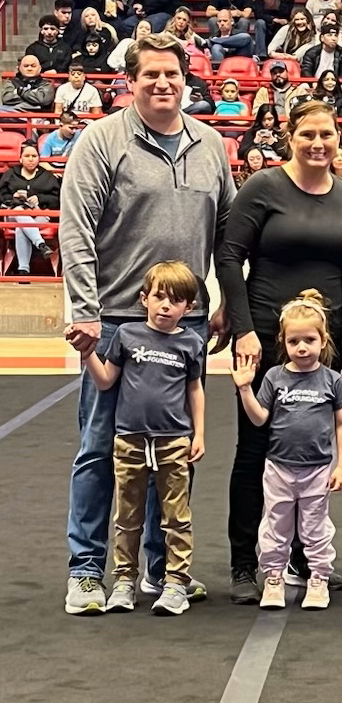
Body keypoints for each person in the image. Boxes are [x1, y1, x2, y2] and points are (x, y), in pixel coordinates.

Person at [59, 33, 233, 615]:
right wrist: (84, 311)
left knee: (173, 455)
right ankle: (87, 572)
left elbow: (229, 231)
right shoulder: (101, 141)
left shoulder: (209, 144)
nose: (164, 83)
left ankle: (163, 573)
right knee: (98, 451)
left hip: (184, 325)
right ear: (130, 81)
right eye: (151, 74)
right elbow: (76, 231)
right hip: (114, 323)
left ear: (188, 79)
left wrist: (226, 299)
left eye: (173, 74)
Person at [218, 99, 342, 604]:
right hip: (263, 334)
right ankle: (244, 564)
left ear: (338, 139)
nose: (318, 143)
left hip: (322, 342)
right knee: (256, 450)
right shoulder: (263, 187)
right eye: (308, 135)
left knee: (310, 452)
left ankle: (302, 560)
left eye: (327, 134)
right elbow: (230, 255)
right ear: (290, 135)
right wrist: (242, 328)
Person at [76, 261, 205, 616]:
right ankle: (123, 581)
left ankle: (175, 581)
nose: (166, 306)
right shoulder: (127, 335)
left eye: (175, 301)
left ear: (188, 308)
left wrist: (199, 433)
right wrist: (88, 351)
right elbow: (105, 381)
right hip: (129, 440)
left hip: (173, 440)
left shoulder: (191, 343)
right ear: (143, 299)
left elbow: (195, 389)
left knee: (176, 515)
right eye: (159, 298)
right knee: (127, 516)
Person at [231, 288, 342, 612]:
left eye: (309, 341)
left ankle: (318, 578)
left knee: (316, 528)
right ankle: (273, 577)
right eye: (294, 341)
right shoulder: (274, 377)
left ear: (323, 341)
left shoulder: (331, 380)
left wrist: (340, 466)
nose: (301, 348)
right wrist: (245, 388)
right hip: (279, 469)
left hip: (317, 469)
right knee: (276, 526)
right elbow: (259, 419)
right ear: (283, 343)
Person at [0, 143, 61, 275]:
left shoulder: (48, 177)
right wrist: (13, 197)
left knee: (21, 227)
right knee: (20, 213)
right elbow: (2, 195)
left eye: (34, 156)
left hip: (40, 214)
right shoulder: (10, 175)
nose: (31, 159)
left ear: (39, 158)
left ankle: (23, 269)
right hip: (14, 213)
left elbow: (56, 199)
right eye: (27, 156)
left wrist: (40, 199)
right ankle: (40, 244)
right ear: (20, 158)